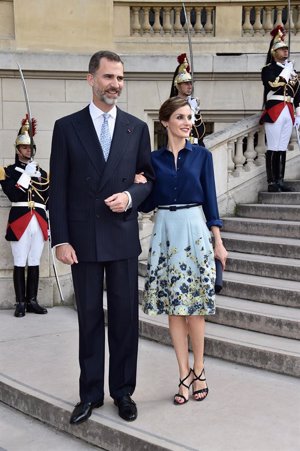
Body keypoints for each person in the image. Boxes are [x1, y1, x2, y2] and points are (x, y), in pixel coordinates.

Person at [49, 50, 154, 425]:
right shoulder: (66, 127)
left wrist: (130, 196)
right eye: (109, 77)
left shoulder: (136, 128)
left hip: (122, 236)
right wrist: (60, 239)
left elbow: (149, 181)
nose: (116, 85)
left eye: (121, 78)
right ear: (90, 79)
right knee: (90, 319)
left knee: (125, 318)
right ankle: (90, 394)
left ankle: (123, 391)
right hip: (83, 241)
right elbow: (57, 189)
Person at [138, 97, 227, 405]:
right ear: (165, 122)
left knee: (196, 311)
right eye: (180, 117)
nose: (187, 121)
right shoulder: (153, 160)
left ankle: (200, 369)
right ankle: (183, 375)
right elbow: (148, 204)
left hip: (194, 229)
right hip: (164, 231)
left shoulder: (202, 156)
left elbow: (211, 200)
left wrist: (218, 241)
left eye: (190, 116)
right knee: (174, 310)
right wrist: (139, 184)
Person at [0, 117, 49, 318]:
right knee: (20, 261)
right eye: (24, 147)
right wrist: (26, 175)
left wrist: (50, 223)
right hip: (20, 219)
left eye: (30, 147)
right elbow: (14, 194)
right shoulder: (8, 172)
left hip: (39, 219)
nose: (28, 151)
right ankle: (20, 302)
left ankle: (32, 301)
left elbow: (47, 199)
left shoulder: (43, 173)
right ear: (17, 149)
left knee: (34, 260)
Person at [260, 25, 300, 192]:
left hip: (288, 109)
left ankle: (280, 180)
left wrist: (298, 111)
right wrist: (286, 72)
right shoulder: (268, 70)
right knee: (273, 146)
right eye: (281, 49)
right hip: (275, 108)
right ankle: (271, 182)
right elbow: (273, 85)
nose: (285, 51)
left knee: (282, 146)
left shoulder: (292, 71)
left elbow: (297, 93)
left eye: (286, 49)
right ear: (274, 52)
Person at [170, 53, 205, 146]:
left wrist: (196, 112)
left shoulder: (193, 103)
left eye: (191, 83)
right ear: (178, 85)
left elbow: (200, 132)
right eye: (186, 83)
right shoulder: (172, 105)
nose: (190, 86)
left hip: (195, 148)